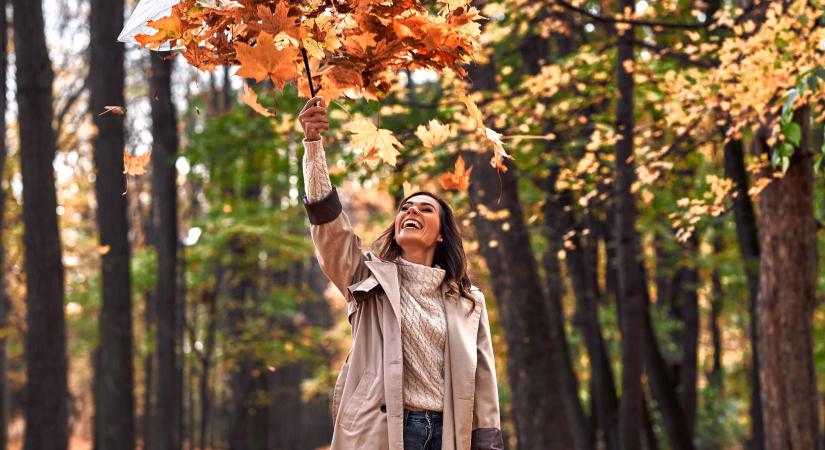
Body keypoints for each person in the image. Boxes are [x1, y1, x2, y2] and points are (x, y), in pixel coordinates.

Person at [298, 96, 503, 450]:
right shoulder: (367, 278)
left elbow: (483, 383)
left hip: (447, 433)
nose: (412, 211)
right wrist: (313, 145)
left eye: (426, 209)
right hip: (383, 429)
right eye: (406, 207)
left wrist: (487, 443)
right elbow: (331, 230)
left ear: (440, 233)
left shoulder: (470, 303)